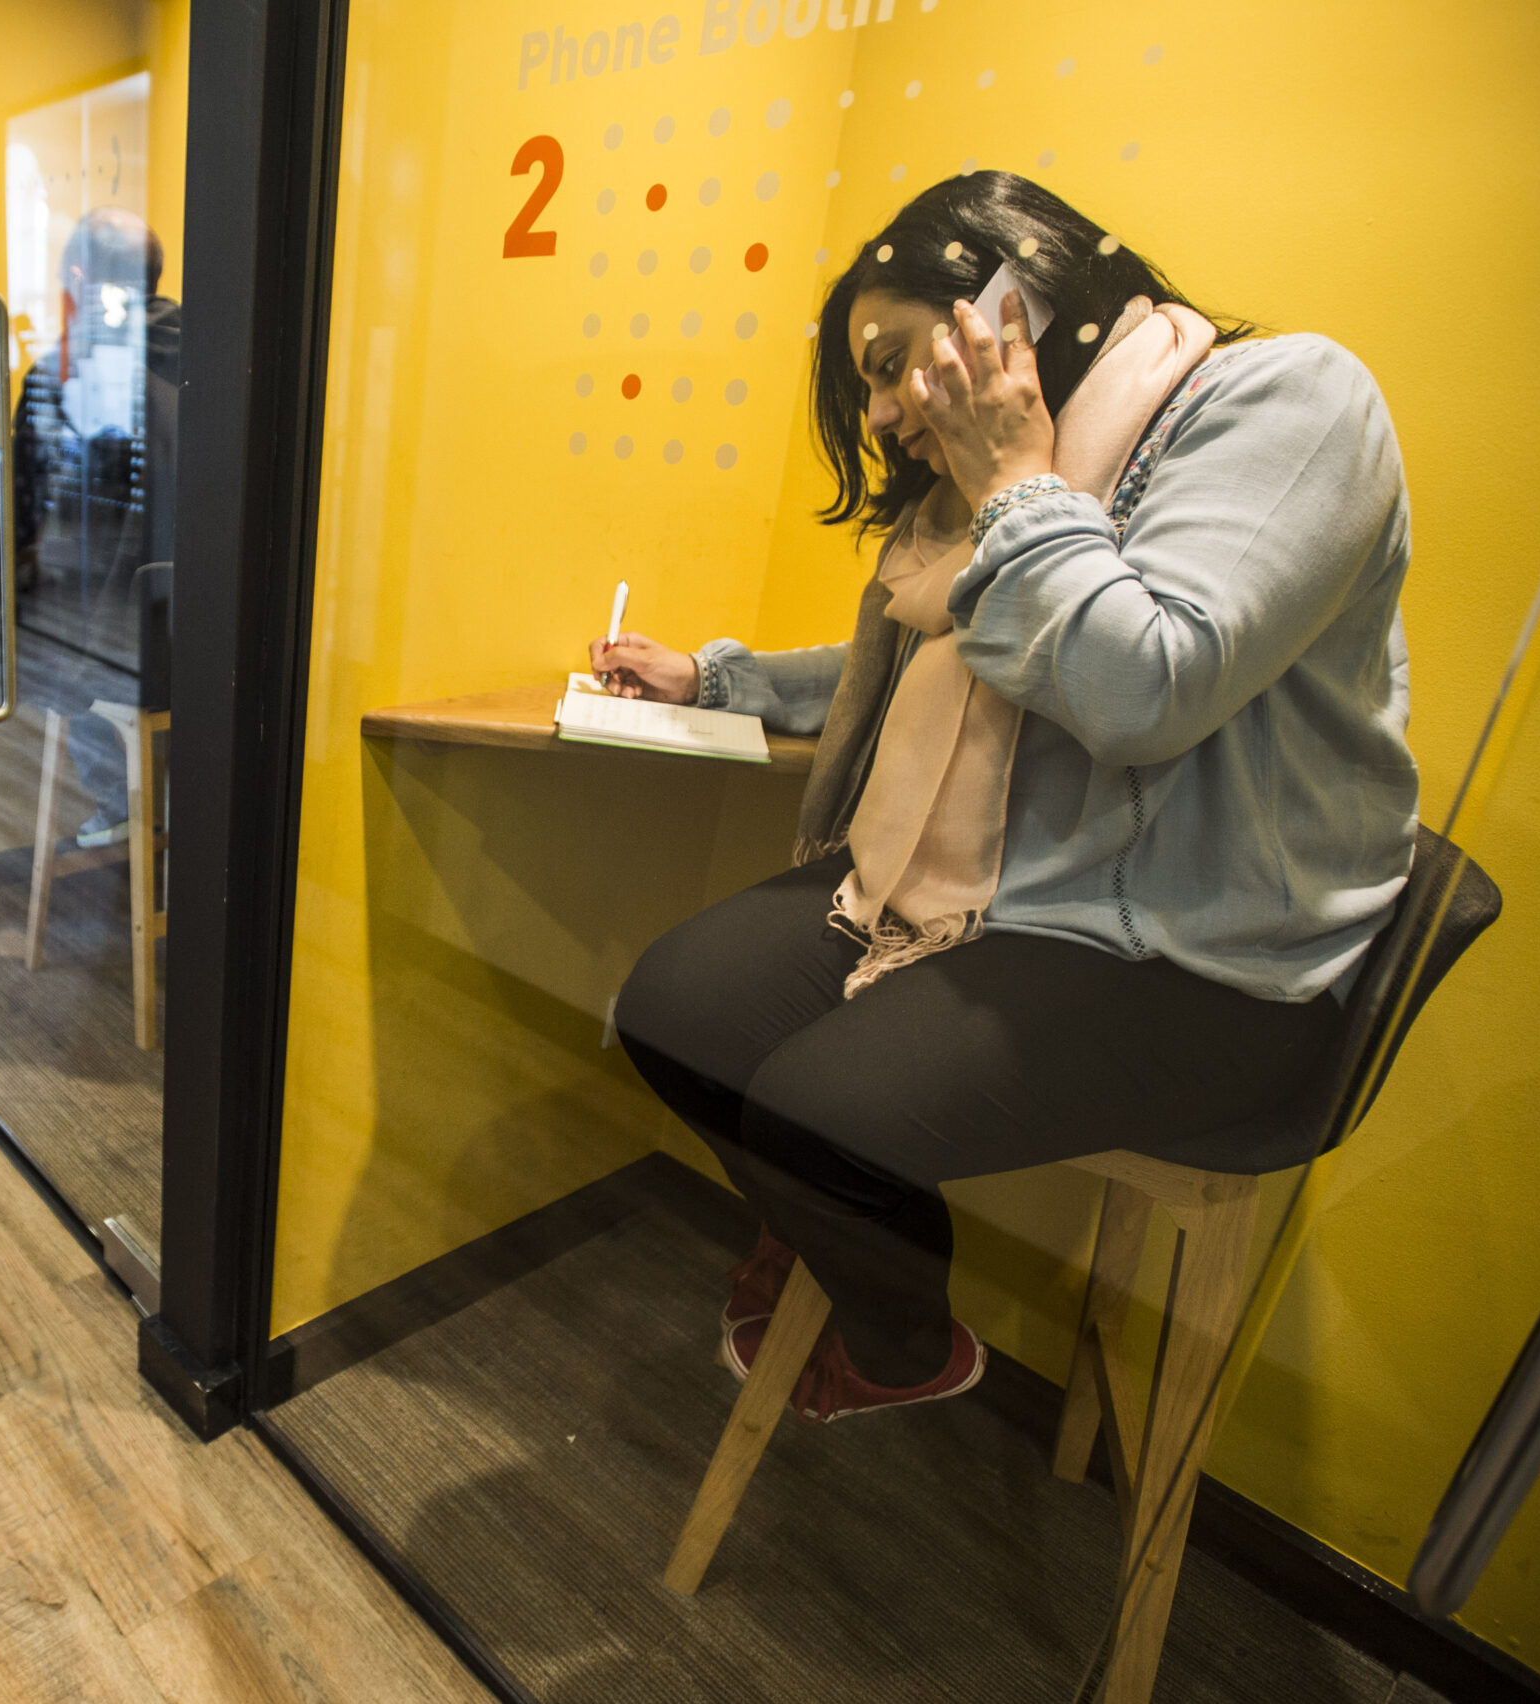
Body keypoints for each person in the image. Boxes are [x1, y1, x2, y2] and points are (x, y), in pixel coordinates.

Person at [595, 173, 1415, 1423]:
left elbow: (1142, 687)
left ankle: (897, 1340)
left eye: (887, 366)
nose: (878, 416)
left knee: (820, 1115)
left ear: (1016, 301)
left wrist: (1016, 484)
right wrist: (718, 676)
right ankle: (839, 1245)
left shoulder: (1291, 400)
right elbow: (949, 651)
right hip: (1005, 902)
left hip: (1193, 951)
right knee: (668, 1010)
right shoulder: (1004, 487)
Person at [0, 206, 179, 847]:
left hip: (108, 640)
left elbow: (1, 525)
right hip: (188, 633)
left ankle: (120, 792)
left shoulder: (66, 370)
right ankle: (132, 785)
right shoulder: (212, 358)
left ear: (78, 277)